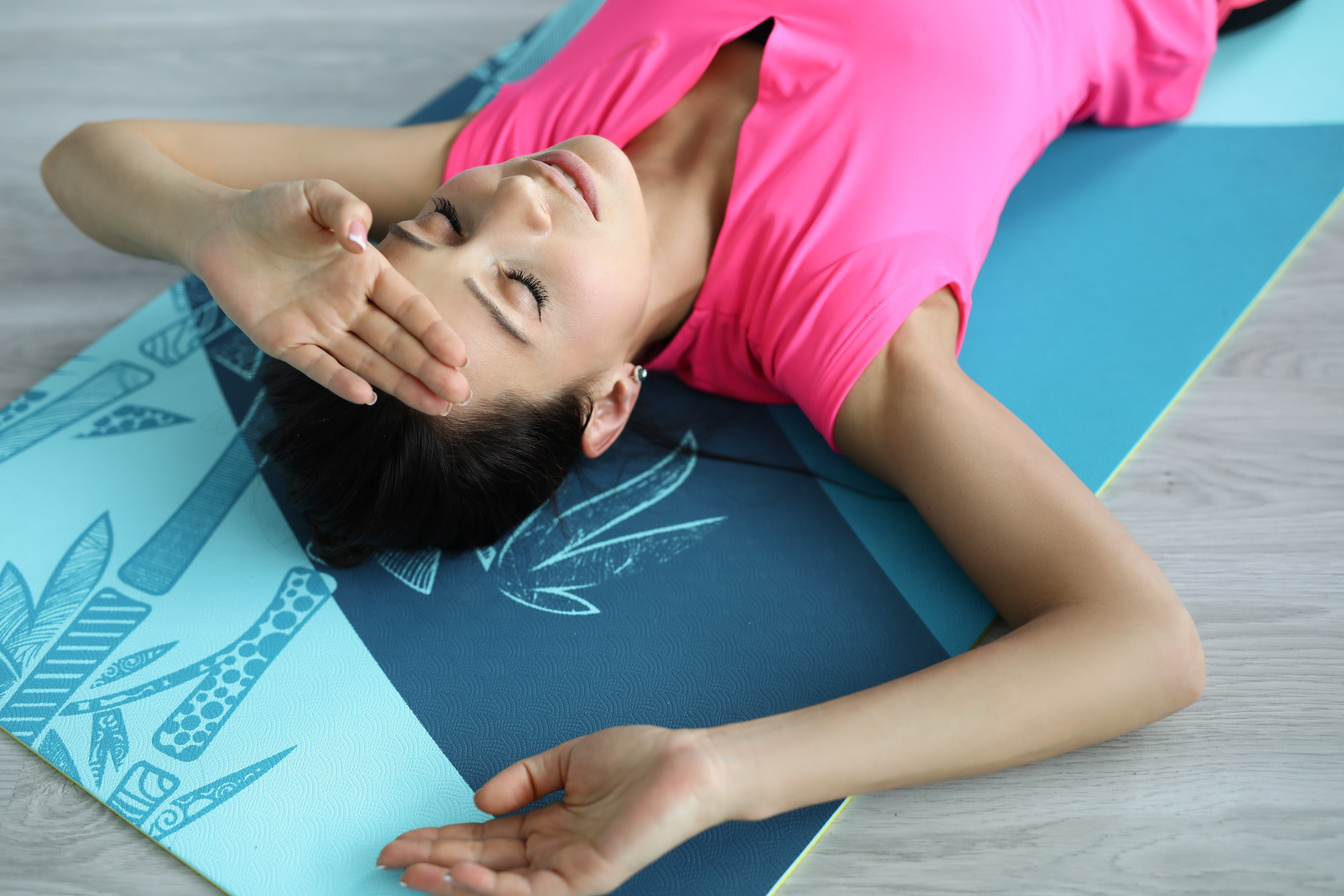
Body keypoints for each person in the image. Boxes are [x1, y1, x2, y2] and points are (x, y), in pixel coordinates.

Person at [39, 0, 1298, 892]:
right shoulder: (840, 310)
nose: (515, 200)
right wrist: (722, 770)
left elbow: (88, 155)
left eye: (442, 227)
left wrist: (214, 230)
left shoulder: (501, 147)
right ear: (607, 406)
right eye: (523, 290)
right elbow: (1143, 644)